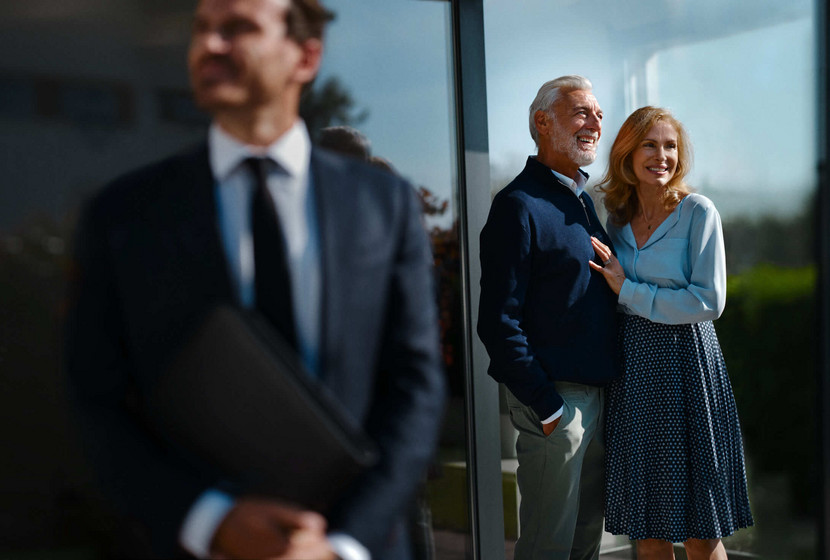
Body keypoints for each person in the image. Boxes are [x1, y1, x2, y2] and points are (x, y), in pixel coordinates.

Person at [63, 1, 446, 559]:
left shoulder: (382, 206)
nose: (208, 46)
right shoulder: (124, 214)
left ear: (306, 57)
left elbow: (415, 386)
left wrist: (342, 544)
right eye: (201, 29)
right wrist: (211, 522)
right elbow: (96, 398)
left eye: (237, 28)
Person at [589, 106, 754, 560]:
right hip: (636, 372)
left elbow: (708, 302)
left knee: (703, 532)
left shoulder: (699, 211)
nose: (661, 155)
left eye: (670, 146)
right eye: (649, 144)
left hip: (689, 368)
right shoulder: (615, 216)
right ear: (627, 151)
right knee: (649, 529)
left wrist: (629, 290)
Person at [477, 75, 619, 560]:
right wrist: (548, 407)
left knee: (583, 546)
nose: (596, 123)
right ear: (543, 122)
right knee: (548, 548)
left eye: (599, 114)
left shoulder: (580, 203)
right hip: (558, 404)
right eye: (582, 112)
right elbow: (498, 321)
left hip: (596, 400)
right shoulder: (517, 206)